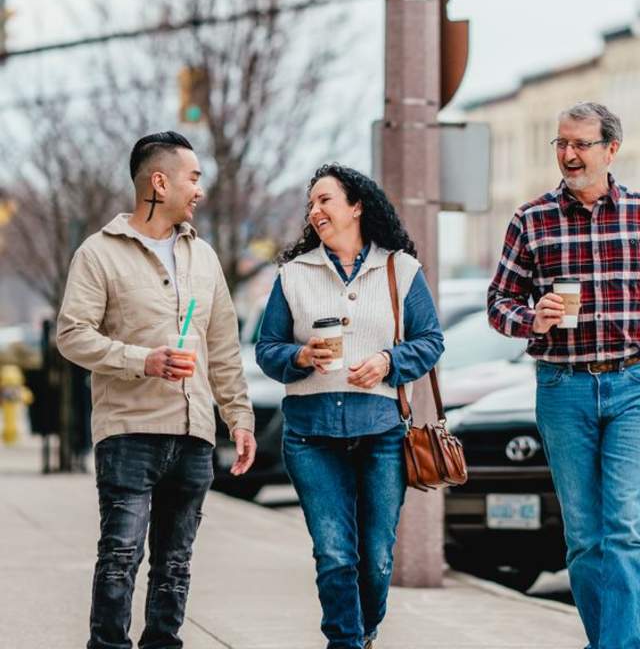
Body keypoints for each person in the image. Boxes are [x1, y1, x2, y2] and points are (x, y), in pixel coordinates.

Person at [57, 131, 256, 649]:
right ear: (159, 181)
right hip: (129, 432)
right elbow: (72, 335)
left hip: (193, 432)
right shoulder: (99, 254)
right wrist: (142, 360)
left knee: (176, 563)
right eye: (193, 178)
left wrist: (239, 417)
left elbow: (223, 347)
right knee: (121, 555)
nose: (200, 191)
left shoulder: (205, 258)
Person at [256, 164, 444, 649]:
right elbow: (267, 349)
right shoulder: (294, 274)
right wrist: (299, 355)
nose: (315, 211)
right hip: (311, 435)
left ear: (356, 205)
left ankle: (364, 633)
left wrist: (387, 362)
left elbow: (431, 341)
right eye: (311, 204)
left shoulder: (399, 269)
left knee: (378, 556)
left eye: (325, 200)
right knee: (336, 554)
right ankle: (344, 642)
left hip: (381, 431)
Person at [487, 102, 640, 649]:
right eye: (561, 144)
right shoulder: (532, 219)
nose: (568, 155)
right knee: (584, 540)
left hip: (631, 387)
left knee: (624, 532)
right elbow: (498, 301)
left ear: (610, 150)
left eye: (580, 144)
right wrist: (533, 317)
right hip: (562, 388)